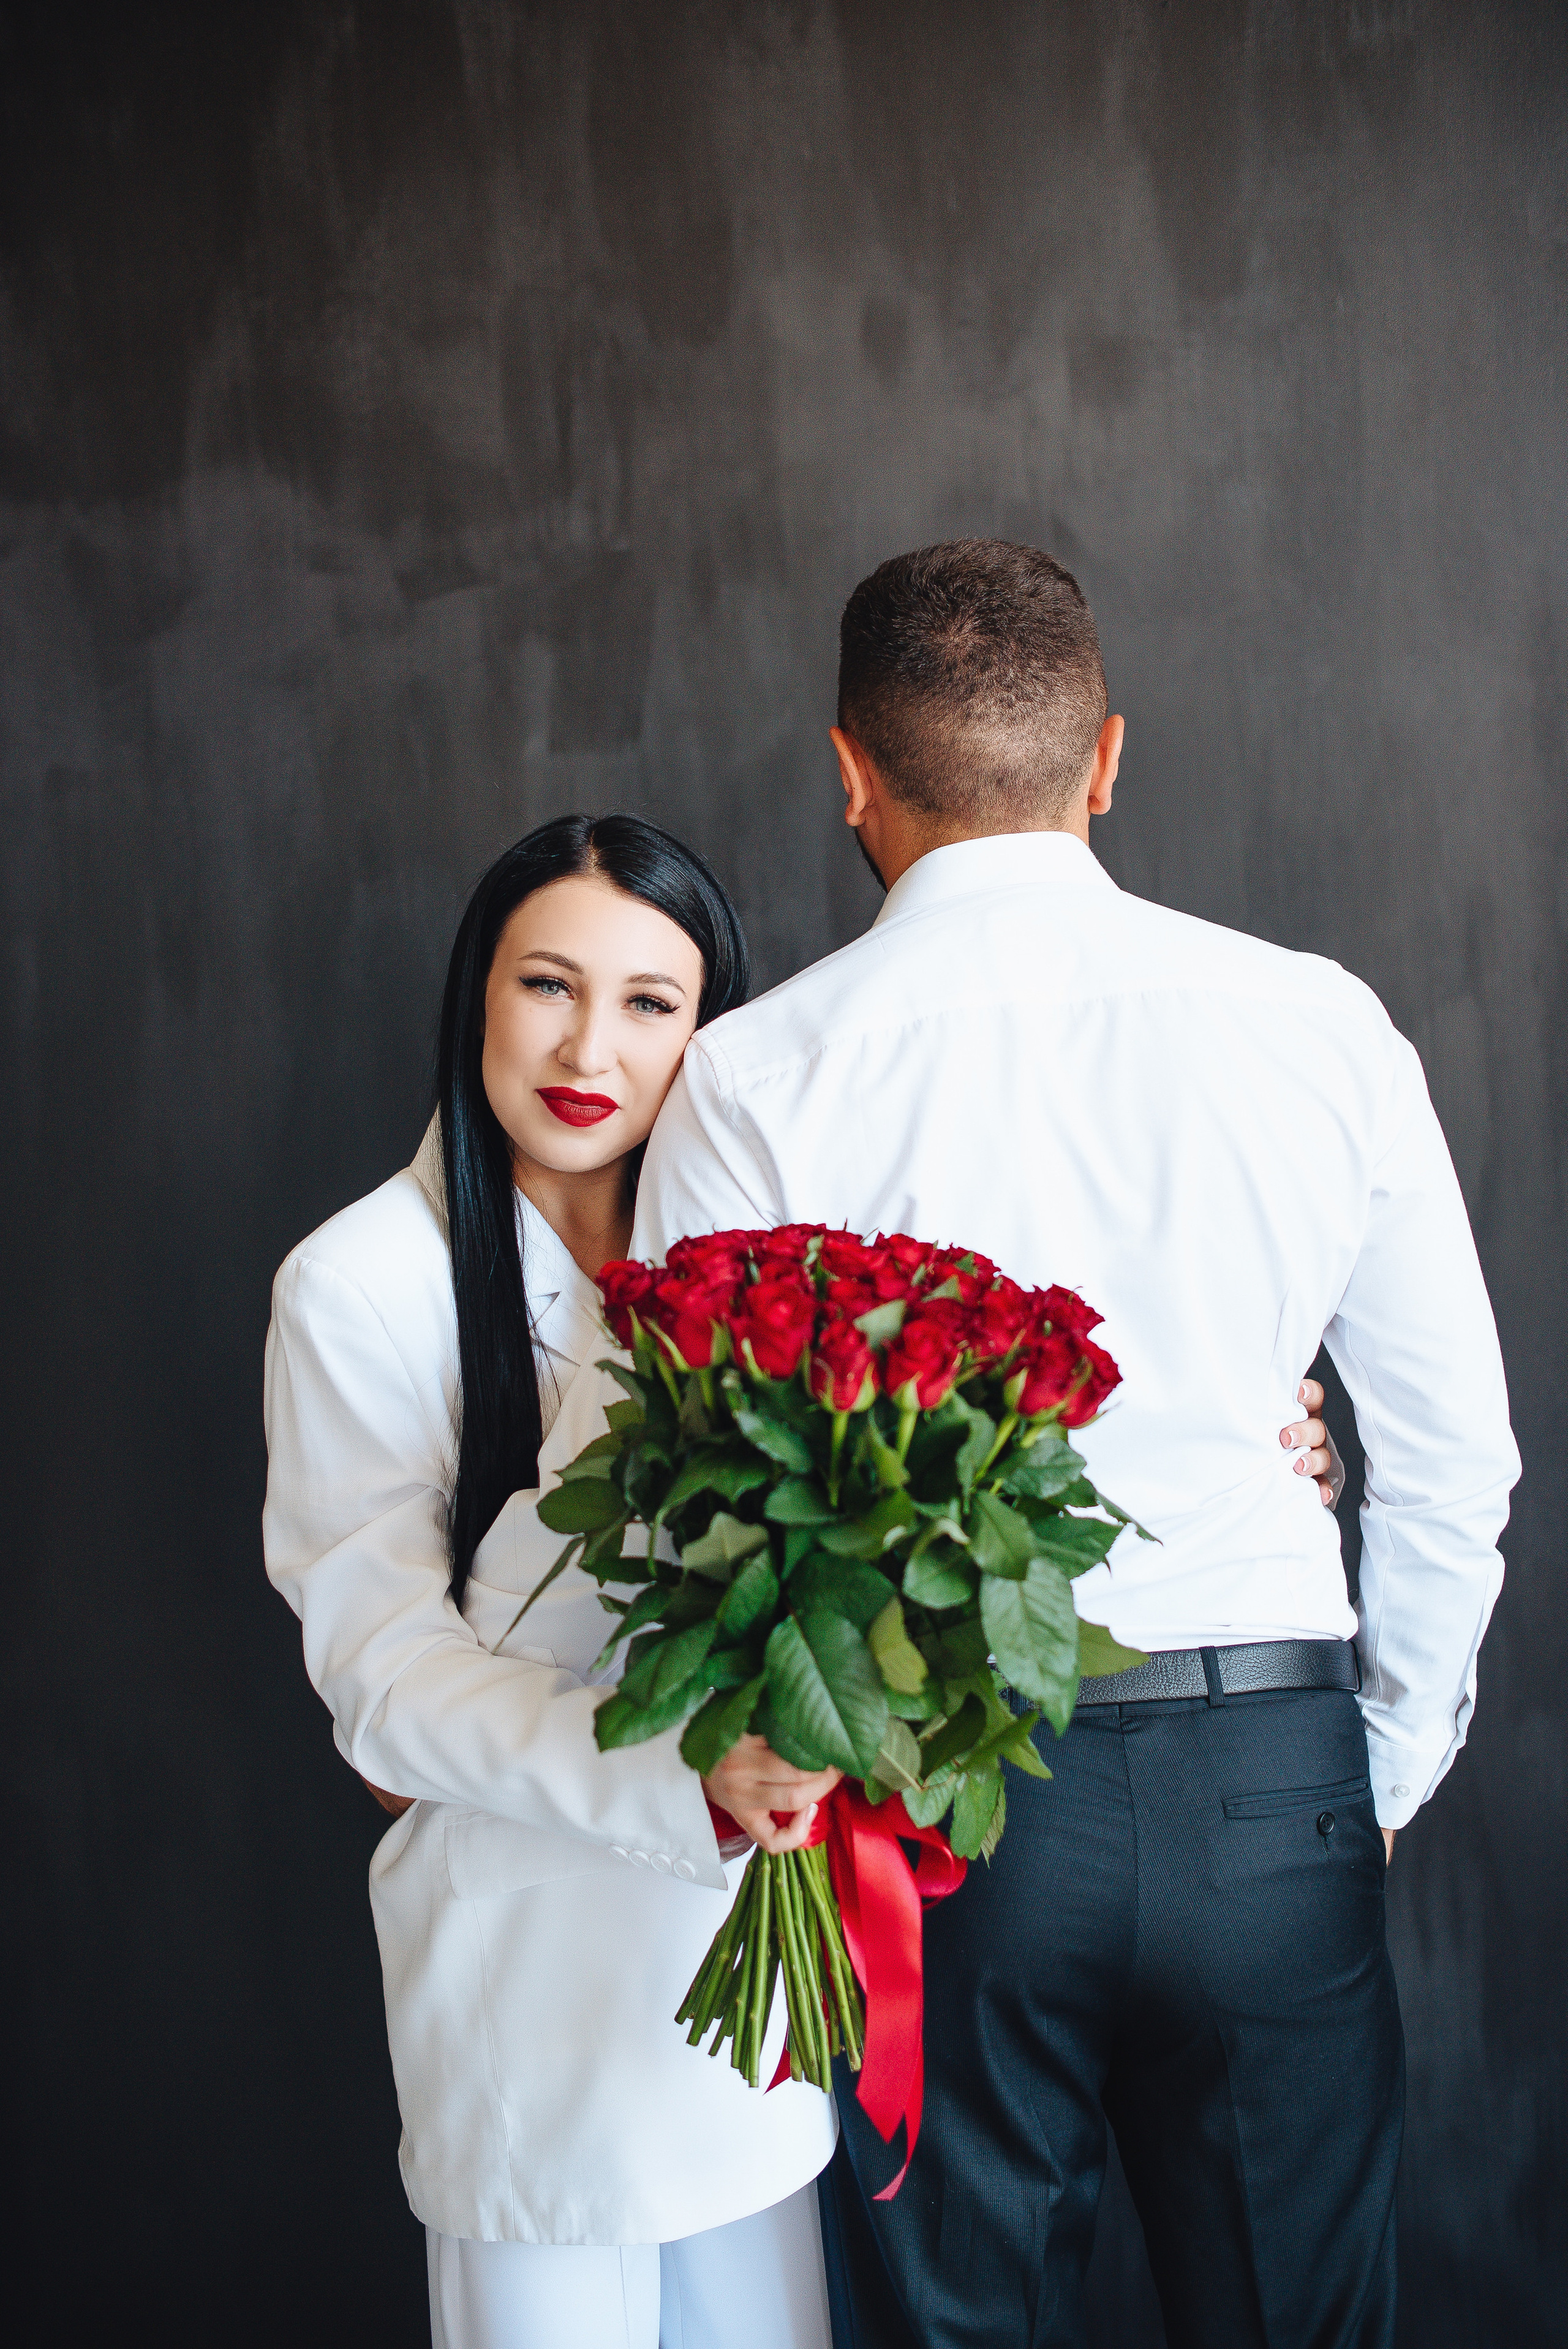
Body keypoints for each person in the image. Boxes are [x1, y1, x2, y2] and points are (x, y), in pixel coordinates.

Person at [263, 806, 1338, 2349]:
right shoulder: (361, 1283)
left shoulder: (767, 1261)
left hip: (753, 1984)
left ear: (707, 1030)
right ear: (475, 998)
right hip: (530, 1981)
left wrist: (1272, 1450)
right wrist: (695, 1775)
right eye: (544, 986)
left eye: (650, 1004)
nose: (589, 1047)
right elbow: (379, 1684)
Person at [632, 540, 1520, 2349]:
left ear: (849, 773)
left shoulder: (752, 1071)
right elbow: (1456, 1459)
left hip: (949, 1807)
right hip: (1275, 1774)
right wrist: (1386, 1768)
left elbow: (681, 1502)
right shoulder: (1321, 1023)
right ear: (1105, 759)